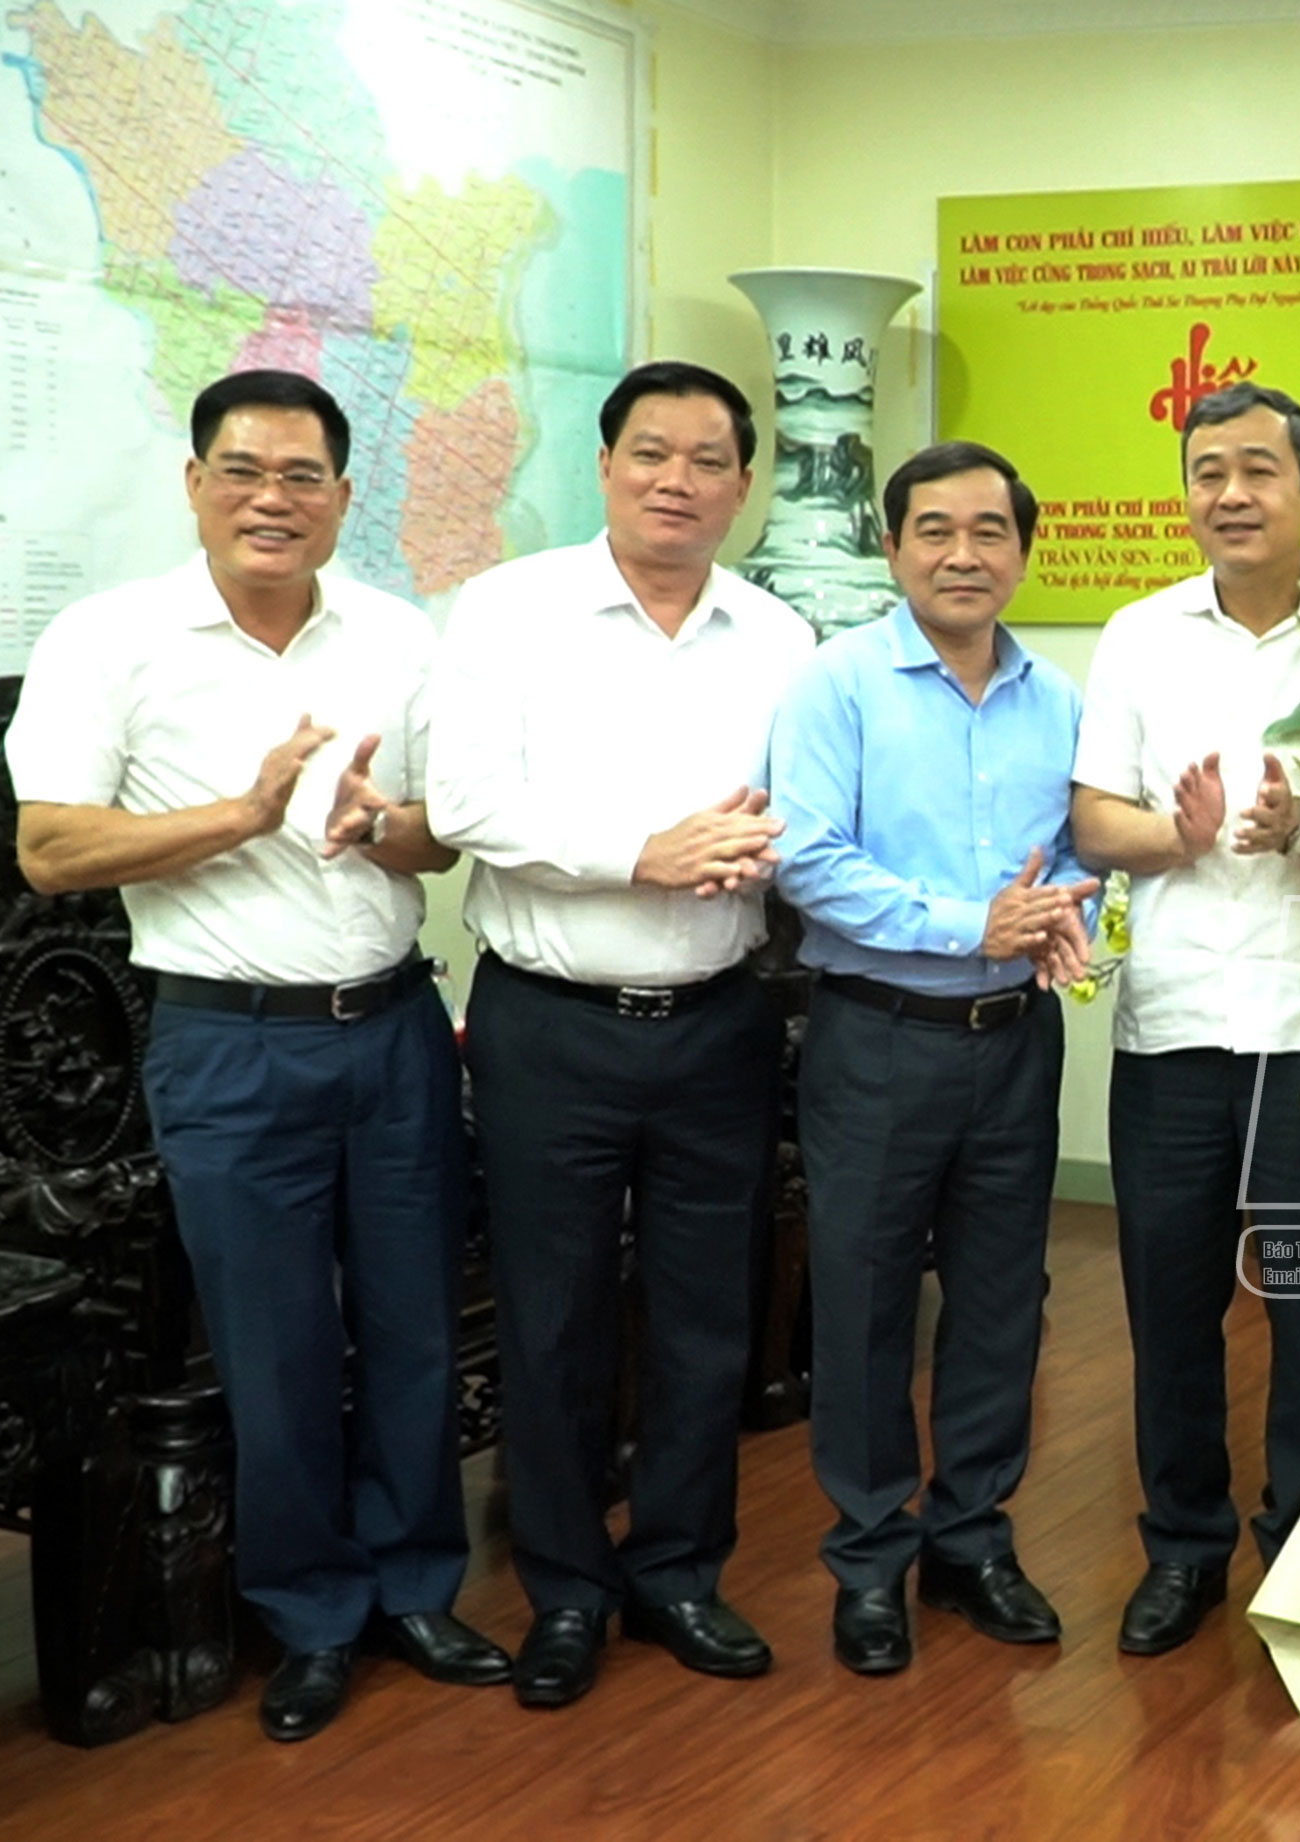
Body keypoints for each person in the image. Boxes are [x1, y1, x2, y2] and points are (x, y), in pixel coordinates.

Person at [8, 370, 506, 1741]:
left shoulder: (396, 635)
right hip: (228, 1045)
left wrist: (380, 827)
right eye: (242, 470)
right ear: (194, 484)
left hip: (394, 1029)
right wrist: (244, 813)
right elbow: (49, 848)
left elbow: (436, 838)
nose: (270, 499)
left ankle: (417, 1588)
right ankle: (311, 1614)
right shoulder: (109, 640)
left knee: (413, 1329)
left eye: (301, 476)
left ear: (342, 497)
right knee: (274, 1349)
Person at [424, 360, 815, 1710]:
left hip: (718, 1023)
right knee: (552, 1320)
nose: (676, 481)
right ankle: (567, 1590)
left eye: (709, 460)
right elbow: (465, 799)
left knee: (709, 1318)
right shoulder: (509, 609)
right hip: (552, 1026)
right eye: (652, 452)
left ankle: (680, 1572)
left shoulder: (780, 636)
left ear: (743, 486)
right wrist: (638, 852)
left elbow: (807, 811)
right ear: (604, 465)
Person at [769, 441, 1097, 1675]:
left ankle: (972, 1539)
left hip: (1015, 1041)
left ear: (1023, 549)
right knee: (863, 1306)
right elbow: (808, 859)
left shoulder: (1057, 699)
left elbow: (1083, 850)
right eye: (935, 531)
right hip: (878, 1036)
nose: (964, 555)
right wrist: (972, 925)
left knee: (1004, 1301)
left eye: (989, 532)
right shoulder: (837, 682)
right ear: (892, 545)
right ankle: (868, 1559)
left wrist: (1067, 915)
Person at [1068, 381, 1300, 1658]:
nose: (1233, 494)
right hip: (1177, 1026)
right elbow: (1095, 820)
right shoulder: (1138, 635)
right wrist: (1177, 836)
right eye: (1209, 472)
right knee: (1171, 1307)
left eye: (1259, 469)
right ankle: (1184, 1549)